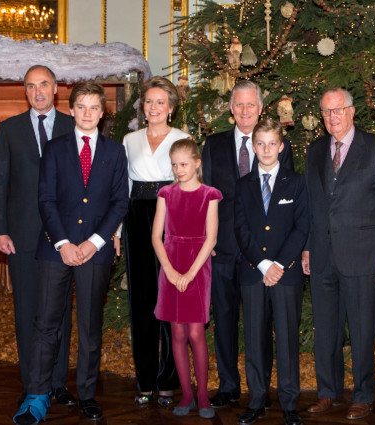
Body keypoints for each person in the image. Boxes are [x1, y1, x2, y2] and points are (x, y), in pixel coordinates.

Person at [13, 82, 129, 424]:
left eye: (95, 107)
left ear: (103, 112)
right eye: (82, 107)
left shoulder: (114, 152)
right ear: (72, 109)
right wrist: (63, 244)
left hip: (97, 250)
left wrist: (94, 242)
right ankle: (37, 394)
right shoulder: (55, 148)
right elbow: (45, 199)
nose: (88, 113)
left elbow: (119, 202)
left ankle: (87, 394)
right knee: (46, 323)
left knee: (90, 326)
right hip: (55, 250)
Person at [302, 88, 375, 420]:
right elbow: (312, 206)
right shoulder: (314, 151)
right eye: (327, 112)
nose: (333, 117)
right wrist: (308, 247)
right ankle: (328, 392)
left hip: (363, 253)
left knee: (361, 329)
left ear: (352, 112)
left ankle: (363, 394)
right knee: (326, 329)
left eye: (339, 110)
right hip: (323, 255)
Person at [201, 80, 293, 408]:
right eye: (238, 105)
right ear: (230, 108)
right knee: (224, 320)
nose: (244, 111)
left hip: (263, 255)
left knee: (261, 323)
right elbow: (205, 198)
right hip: (223, 249)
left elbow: (287, 201)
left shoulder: (279, 145)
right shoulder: (212, 146)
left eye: (250, 105)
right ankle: (228, 384)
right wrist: (205, 240)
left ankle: (261, 388)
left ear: (260, 107)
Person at [0, 64, 76, 406]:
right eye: (30, 86)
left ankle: (57, 382)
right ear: (24, 91)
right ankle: (33, 382)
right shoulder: (9, 129)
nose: (37, 92)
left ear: (56, 88)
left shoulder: (74, 126)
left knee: (60, 312)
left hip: (64, 237)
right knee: (26, 309)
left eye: (43, 85)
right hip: (22, 235)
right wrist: (0, 230)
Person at [234, 118, 308, 425]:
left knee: (287, 338)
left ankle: (289, 402)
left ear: (281, 146)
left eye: (272, 144)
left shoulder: (297, 182)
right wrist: (263, 264)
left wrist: (278, 264)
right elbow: (239, 227)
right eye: (260, 144)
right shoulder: (242, 185)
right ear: (253, 147)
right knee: (255, 338)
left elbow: (302, 226)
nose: (266, 149)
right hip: (253, 273)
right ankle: (257, 398)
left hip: (286, 273)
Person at [121, 76, 188, 406]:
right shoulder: (129, 139)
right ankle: (144, 378)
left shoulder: (183, 138)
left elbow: (190, 187)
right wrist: (119, 233)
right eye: (149, 101)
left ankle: (169, 379)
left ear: (171, 108)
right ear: (142, 106)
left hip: (171, 218)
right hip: (136, 220)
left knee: (171, 301)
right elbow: (123, 189)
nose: (154, 107)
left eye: (161, 102)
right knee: (142, 302)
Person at [152, 138, 222, 420]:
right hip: (170, 265)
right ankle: (187, 394)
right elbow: (156, 237)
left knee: (195, 332)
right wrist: (169, 271)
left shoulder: (210, 195)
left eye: (184, 164)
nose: (179, 170)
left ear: (197, 163)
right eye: (174, 165)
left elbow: (211, 238)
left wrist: (190, 274)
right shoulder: (165, 194)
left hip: (197, 267)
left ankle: (203, 393)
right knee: (177, 334)